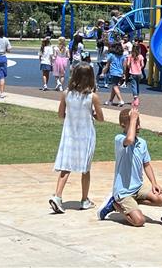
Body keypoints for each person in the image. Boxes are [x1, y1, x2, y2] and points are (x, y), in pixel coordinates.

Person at [96, 108, 162, 226]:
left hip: (138, 187)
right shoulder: (119, 139)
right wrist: (133, 118)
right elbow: (129, 139)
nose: (138, 126)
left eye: (139, 123)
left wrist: (154, 183)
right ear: (123, 125)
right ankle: (115, 204)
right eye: (135, 123)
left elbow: (147, 164)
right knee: (139, 221)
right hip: (123, 191)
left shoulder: (142, 143)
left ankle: (131, 204)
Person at [49, 63, 104, 213]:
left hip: (69, 134)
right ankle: (84, 199)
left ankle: (58, 196)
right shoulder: (92, 97)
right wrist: (91, 114)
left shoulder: (66, 94)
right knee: (85, 169)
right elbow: (100, 118)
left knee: (65, 167)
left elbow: (61, 114)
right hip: (86, 135)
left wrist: (72, 117)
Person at [101, 41, 126, 107]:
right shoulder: (122, 56)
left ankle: (120, 100)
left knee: (115, 86)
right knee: (114, 87)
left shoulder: (111, 55)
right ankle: (110, 100)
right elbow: (124, 66)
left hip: (114, 72)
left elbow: (107, 65)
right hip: (120, 72)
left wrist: (103, 73)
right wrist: (124, 73)